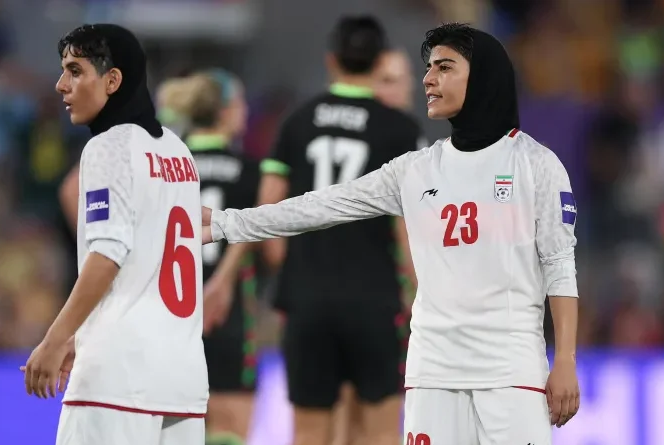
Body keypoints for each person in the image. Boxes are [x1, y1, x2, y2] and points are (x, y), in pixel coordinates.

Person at [202, 23, 581, 445]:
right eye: (428, 68)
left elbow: (560, 265)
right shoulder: (415, 169)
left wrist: (564, 358)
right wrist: (226, 223)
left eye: (444, 67)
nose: (428, 78)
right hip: (432, 371)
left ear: (482, 75)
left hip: (510, 371)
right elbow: (320, 205)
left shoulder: (537, 165)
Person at [208, 15, 422, 445]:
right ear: (379, 62)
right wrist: (418, 293)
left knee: (309, 433)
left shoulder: (297, 121)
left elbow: (267, 210)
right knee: (380, 430)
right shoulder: (400, 128)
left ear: (331, 61)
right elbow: (408, 226)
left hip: (306, 299)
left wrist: (294, 265)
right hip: (373, 298)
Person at [22, 24, 207, 445]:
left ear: (112, 80)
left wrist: (55, 339)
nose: (60, 85)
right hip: (182, 378)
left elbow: (109, 253)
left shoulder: (108, 145)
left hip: (117, 379)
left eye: (74, 70)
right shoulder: (178, 151)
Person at [159, 69, 260, 445]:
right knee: (232, 429)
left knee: (176, 430)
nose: (246, 111)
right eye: (241, 103)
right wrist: (227, 278)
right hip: (228, 316)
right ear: (226, 111)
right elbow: (268, 240)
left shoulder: (166, 166)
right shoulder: (252, 171)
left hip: (171, 312)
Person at [332, 46, 420, 445]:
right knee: (360, 414)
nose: (388, 90)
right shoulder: (397, 138)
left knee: (357, 414)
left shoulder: (404, 140)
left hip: (364, 292)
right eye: (383, 79)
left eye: (397, 81)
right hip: (367, 293)